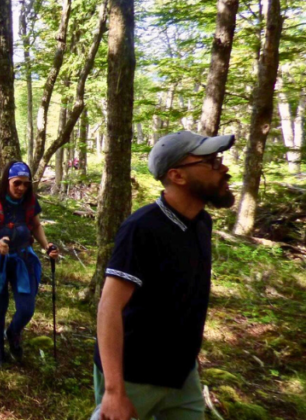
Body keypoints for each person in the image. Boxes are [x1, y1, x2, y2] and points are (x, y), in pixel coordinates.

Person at [93, 131, 235, 420]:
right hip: (134, 375)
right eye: (210, 161)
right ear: (177, 176)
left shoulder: (201, 223)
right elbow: (109, 307)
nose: (223, 168)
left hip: (182, 376)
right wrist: (113, 391)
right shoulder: (141, 229)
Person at [0, 160, 58, 368]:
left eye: (25, 184)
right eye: (17, 183)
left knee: (26, 308)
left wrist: (46, 246)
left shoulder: (29, 201)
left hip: (22, 259)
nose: (21, 188)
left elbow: (35, 225)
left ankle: (13, 333)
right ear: (8, 181)